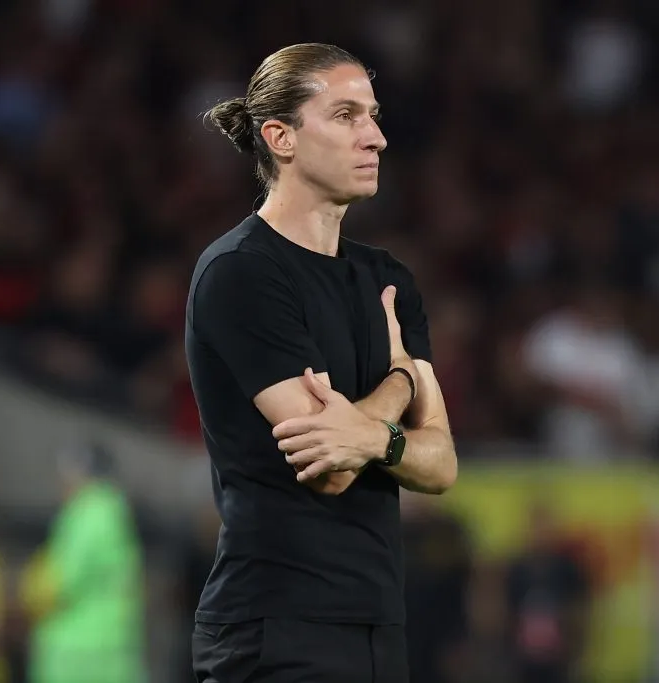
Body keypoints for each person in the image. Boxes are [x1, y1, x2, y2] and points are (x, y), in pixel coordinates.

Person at [186, 42, 459, 683]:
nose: (377, 138)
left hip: (376, 623)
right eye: (346, 116)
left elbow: (441, 464)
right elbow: (329, 466)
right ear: (280, 137)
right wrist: (399, 382)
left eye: (373, 114)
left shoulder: (388, 279)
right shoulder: (240, 273)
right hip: (273, 625)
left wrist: (369, 435)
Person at [21, 443, 146, 683]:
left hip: (78, 658)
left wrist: (29, 587)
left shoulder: (86, 513)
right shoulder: (117, 515)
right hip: (114, 652)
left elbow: (58, 584)